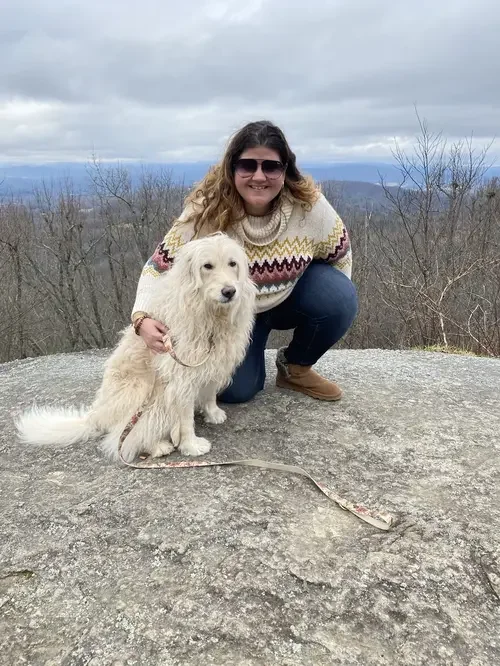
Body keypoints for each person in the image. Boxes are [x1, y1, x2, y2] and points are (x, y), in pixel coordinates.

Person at [131, 120, 357, 403]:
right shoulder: (205, 210)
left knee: (340, 297)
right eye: (248, 165)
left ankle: (295, 367)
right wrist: (141, 318)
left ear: (286, 170)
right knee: (235, 391)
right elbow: (158, 266)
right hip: (231, 314)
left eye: (271, 166)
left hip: (290, 299)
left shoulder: (310, 206)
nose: (259, 176)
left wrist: (329, 310)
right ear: (232, 168)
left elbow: (340, 254)